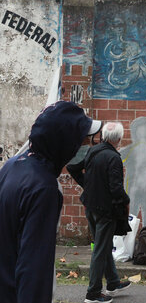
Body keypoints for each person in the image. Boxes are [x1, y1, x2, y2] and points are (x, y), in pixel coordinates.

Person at [0, 101, 101, 303]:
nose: (85, 145)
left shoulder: (11, 167)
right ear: (63, 142)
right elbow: (33, 267)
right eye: (81, 140)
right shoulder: (44, 188)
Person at [67, 122, 131, 303]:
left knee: (102, 246)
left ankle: (113, 282)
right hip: (105, 211)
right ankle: (93, 293)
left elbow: (73, 168)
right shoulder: (114, 158)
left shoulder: (93, 151)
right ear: (119, 139)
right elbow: (116, 189)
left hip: (91, 207)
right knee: (100, 250)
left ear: (102, 136)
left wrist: (88, 186)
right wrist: (126, 202)